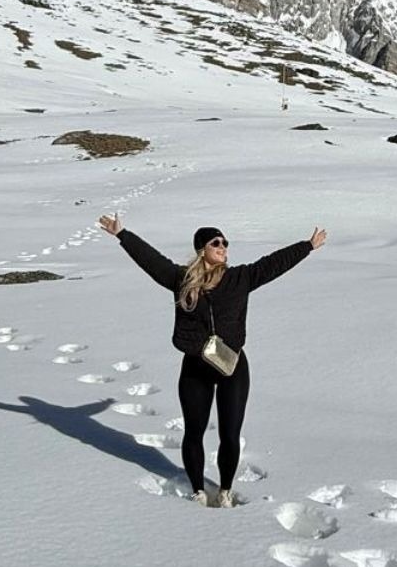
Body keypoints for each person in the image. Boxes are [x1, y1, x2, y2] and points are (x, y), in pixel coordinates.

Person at [98, 215, 327, 506]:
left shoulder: (239, 278)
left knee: (230, 434)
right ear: (201, 249)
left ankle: (226, 490)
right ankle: (197, 490)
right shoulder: (182, 281)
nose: (223, 247)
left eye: (225, 243)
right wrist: (123, 234)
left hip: (232, 366)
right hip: (195, 367)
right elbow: (151, 261)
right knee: (193, 432)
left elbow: (272, 264)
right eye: (215, 242)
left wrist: (306, 246)